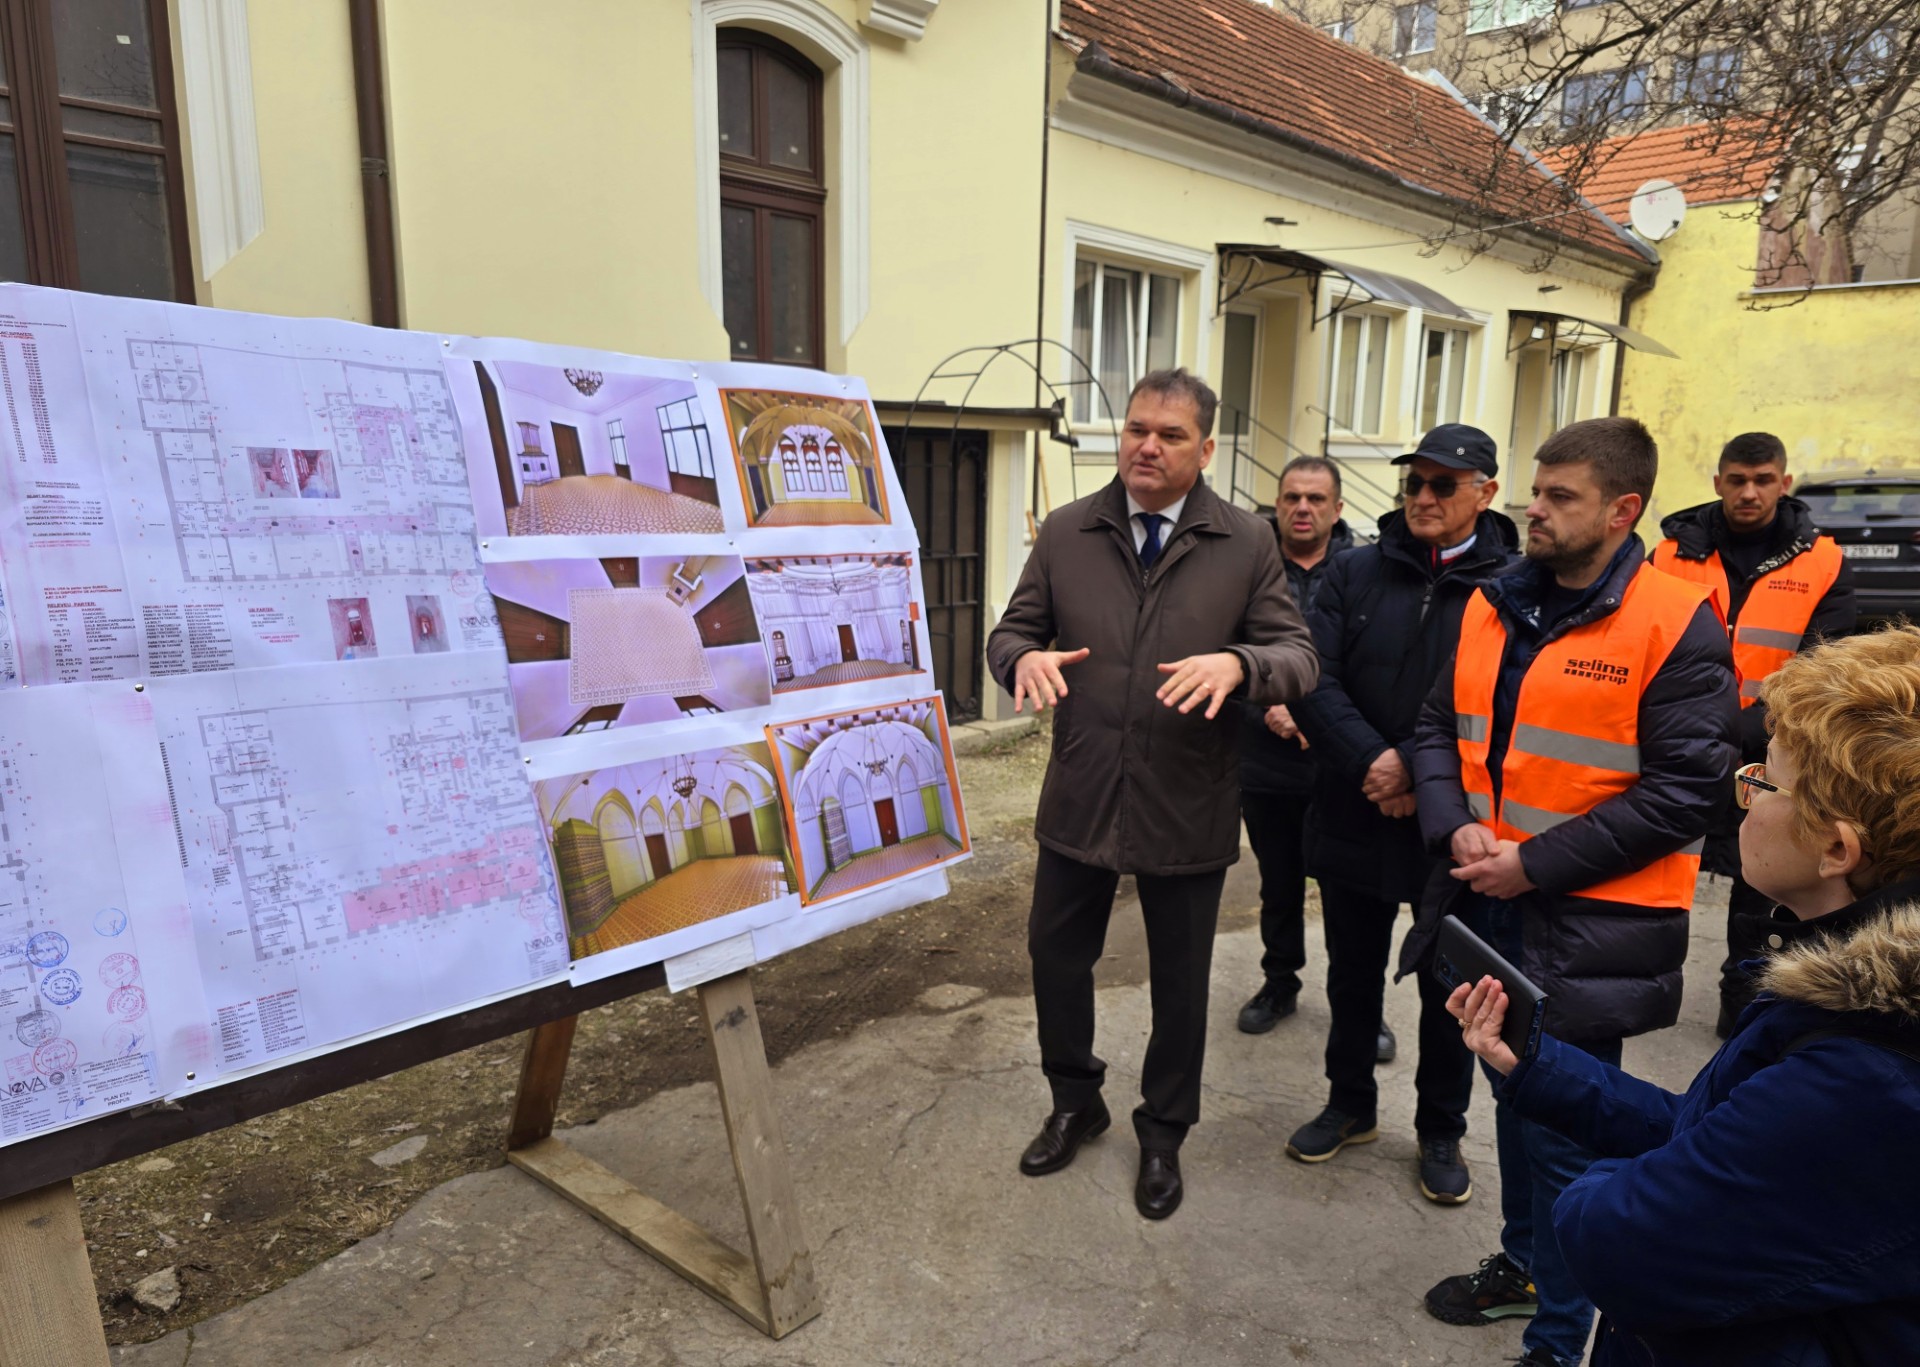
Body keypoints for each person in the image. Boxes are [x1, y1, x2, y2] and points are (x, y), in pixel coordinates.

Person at [1448, 625, 1920, 1366]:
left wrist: (1625, 1185)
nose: (1744, 795)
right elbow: (1712, 1135)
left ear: (1837, 848)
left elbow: (1623, 1239)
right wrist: (1536, 1066)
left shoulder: (1869, 1066)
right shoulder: (1845, 996)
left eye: (1765, 779)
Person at [1407, 417, 1737, 1367]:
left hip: (1589, 929)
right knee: (1512, 1105)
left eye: (1560, 497)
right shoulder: (1496, 600)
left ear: (1623, 510)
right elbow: (1435, 728)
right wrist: (1454, 822)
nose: (1534, 510)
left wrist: (1533, 863)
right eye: (1535, 491)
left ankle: (1559, 1342)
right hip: (1487, 904)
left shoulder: (1674, 620)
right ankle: (1525, 1269)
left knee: (1562, 1136)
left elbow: (1687, 792)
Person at [985, 368, 1319, 1221]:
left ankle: (1164, 1132)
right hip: (1083, 789)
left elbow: (1298, 656)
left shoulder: (1245, 541)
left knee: (1180, 982)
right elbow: (1011, 632)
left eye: (1171, 435)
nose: (1147, 446)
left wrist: (1241, 664)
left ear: (1204, 450)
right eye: (1137, 428)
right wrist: (1021, 657)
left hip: (1187, 796)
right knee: (1056, 956)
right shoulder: (1069, 530)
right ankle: (1075, 1100)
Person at [1284, 424, 1518, 1207]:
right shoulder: (1353, 570)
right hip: (1355, 805)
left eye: (1442, 484)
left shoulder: (1512, 585)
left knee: (1450, 985)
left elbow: (1506, 699)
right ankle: (1349, 1103)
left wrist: (1420, 770)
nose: (1422, 496)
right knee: (1351, 972)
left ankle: (1440, 1127)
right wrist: (1374, 763)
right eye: (1414, 482)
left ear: (1485, 493)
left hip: (1450, 824)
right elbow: (1312, 676)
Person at [1650, 431, 1856, 1037]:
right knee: (1658, 871)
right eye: (1737, 480)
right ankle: (1638, 990)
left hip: (1770, 754)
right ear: (1718, 482)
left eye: (1763, 480)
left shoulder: (1823, 562)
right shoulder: (1668, 554)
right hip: (1677, 747)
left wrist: (1740, 727)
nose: (1749, 492)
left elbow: (1823, 666)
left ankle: (1742, 1010)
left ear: (1783, 483)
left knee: (1760, 887)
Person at [1234, 456, 1353, 1037]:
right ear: (1277, 504)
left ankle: (1357, 1007)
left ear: (1337, 508)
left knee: (1349, 895)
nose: (1302, 508)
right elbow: (1223, 657)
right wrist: (1269, 709)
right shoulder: (1247, 569)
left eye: (1316, 499)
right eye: (1291, 497)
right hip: (1267, 765)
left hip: (1342, 766)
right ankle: (1279, 983)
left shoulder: (1363, 571)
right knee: (1278, 884)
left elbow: (1371, 663)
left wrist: (1322, 720)